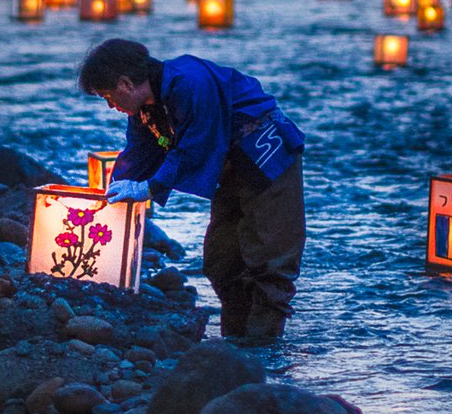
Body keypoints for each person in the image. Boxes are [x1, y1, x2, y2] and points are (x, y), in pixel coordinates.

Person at [80, 37, 305, 341]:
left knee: (269, 259)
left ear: (125, 84)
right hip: (227, 168)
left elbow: (192, 148)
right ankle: (236, 344)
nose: (110, 105)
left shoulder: (190, 82)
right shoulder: (145, 108)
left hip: (267, 157)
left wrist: (149, 188)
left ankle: (263, 351)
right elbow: (138, 153)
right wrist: (107, 199)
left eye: (108, 95)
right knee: (222, 261)